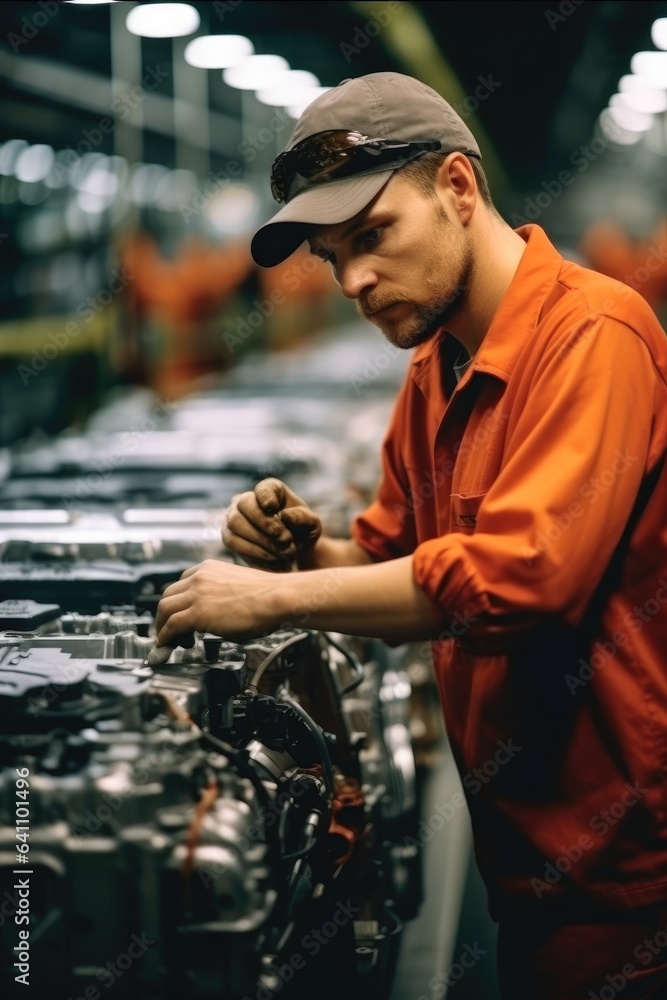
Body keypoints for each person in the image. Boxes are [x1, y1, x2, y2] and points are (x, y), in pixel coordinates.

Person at [155, 73, 667, 999]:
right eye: (331, 254)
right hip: (522, 847)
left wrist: (267, 596)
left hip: (623, 870)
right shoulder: (435, 367)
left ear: (459, 190)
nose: (351, 280)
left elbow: (521, 579)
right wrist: (302, 552)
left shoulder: (594, 336)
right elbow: (389, 560)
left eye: (372, 237)